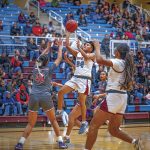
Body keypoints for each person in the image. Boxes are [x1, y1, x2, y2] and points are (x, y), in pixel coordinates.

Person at [84, 42, 141, 150]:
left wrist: (97, 47)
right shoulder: (126, 63)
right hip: (122, 98)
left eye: (115, 50)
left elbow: (100, 60)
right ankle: (134, 142)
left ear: (118, 53)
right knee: (113, 130)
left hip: (114, 97)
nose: (114, 52)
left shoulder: (118, 62)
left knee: (93, 125)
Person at [15, 41, 68, 150]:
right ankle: (61, 142)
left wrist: (47, 48)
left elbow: (40, 58)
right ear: (47, 62)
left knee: (30, 123)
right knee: (53, 120)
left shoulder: (35, 68)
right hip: (45, 96)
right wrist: (60, 47)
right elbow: (59, 58)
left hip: (33, 96)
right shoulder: (49, 69)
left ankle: (20, 143)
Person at [57, 31, 95, 135]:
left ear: (91, 48)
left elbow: (86, 57)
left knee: (82, 102)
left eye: (88, 45)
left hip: (85, 80)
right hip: (75, 78)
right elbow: (68, 46)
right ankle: (59, 110)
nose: (85, 45)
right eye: (85, 44)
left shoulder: (92, 55)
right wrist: (68, 34)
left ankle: (83, 122)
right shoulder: (78, 53)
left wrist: (79, 48)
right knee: (60, 92)